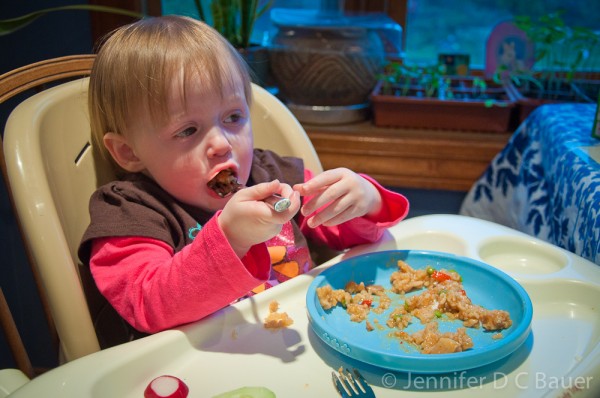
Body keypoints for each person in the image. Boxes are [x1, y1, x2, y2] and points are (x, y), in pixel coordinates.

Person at [78, 15, 409, 346]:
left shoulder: (272, 175)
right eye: (188, 130)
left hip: (301, 338)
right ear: (129, 152)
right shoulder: (129, 213)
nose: (222, 144)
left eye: (233, 117)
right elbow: (148, 304)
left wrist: (363, 201)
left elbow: (343, 234)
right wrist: (232, 239)